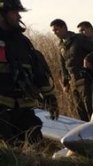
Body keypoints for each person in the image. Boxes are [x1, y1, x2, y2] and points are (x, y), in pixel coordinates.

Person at [0, 0, 57, 145]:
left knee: (35, 142)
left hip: (23, 106)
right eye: (14, 12)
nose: (19, 16)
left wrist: (49, 96)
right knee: (9, 150)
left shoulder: (22, 41)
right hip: (2, 108)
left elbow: (36, 70)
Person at [50, 18, 93, 121]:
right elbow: (63, 65)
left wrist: (88, 58)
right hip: (73, 82)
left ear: (64, 27)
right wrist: (65, 83)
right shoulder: (60, 45)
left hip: (85, 79)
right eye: (53, 31)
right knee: (80, 111)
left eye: (56, 30)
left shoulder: (79, 38)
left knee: (90, 109)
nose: (55, 33)